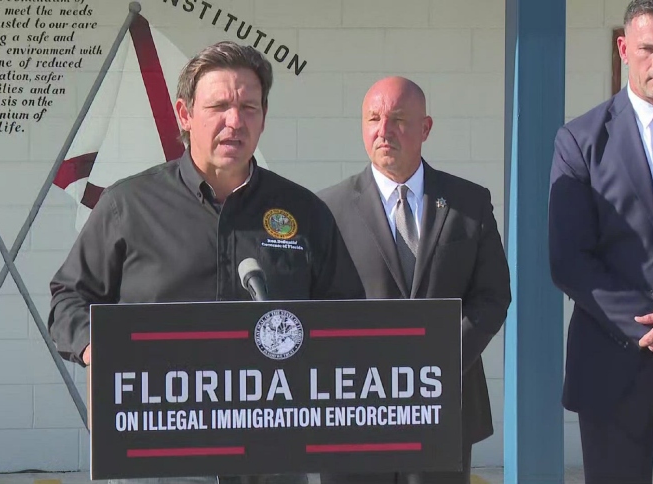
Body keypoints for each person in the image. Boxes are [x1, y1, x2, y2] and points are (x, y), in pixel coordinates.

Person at [48, 41, 365, 484]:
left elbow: (346, 316)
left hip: (273, 452)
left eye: (249, 107)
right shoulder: (129, 205)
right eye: (219, 106)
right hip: (159, 449)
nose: (234, 121)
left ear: (264, 117)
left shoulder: (304, 212)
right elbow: (69, 296)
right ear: (185, 114)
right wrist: (94, 345)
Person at [317, 76, 511, 484]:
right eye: (374, 118)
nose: (384, 130)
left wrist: (442, 359)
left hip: (445, 404)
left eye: (399, 119)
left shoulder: (468, 203)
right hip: (356, 408)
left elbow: (493, 295)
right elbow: (316, 304)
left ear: (425, 128)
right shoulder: (328, 209)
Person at [549, 1, 653, 481]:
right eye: (648, 48)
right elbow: (569, 259)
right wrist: (651, 326)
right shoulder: (580, 140)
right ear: (623, 48)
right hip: (613, 359)